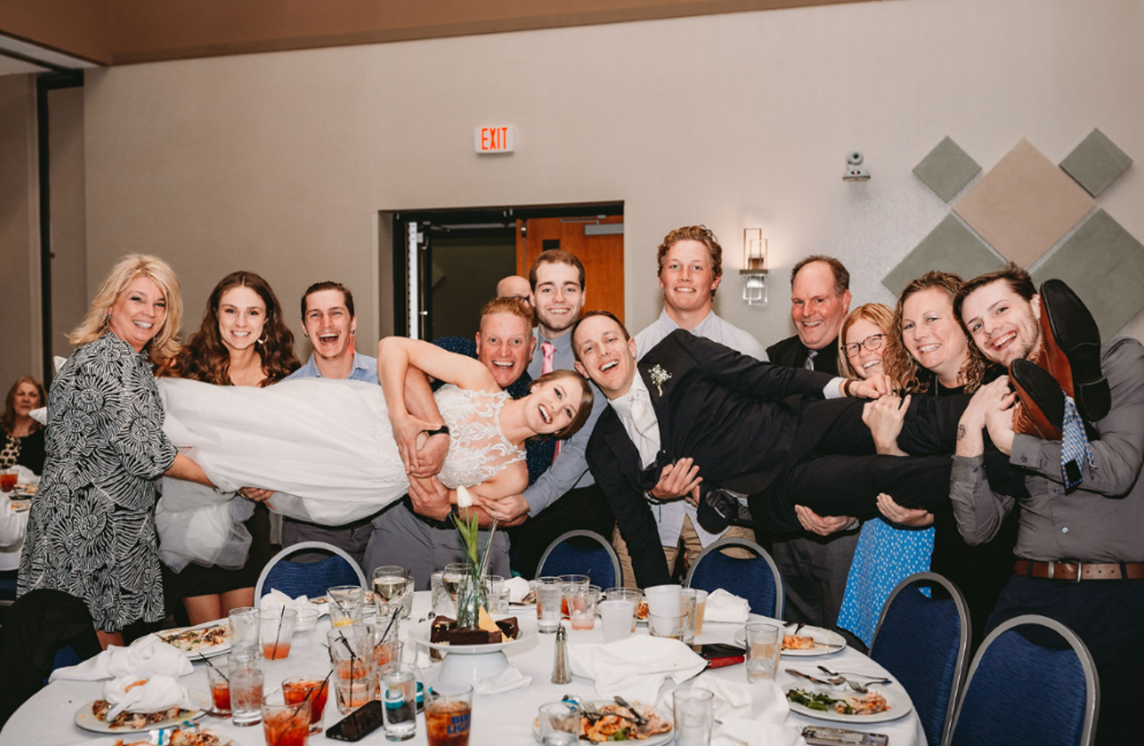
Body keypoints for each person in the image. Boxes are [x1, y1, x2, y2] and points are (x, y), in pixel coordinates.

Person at [572, 311, 965, 589]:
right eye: (590, 349)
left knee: (908, 416)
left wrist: (844, 387)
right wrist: (658, 603)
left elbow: (762, 376)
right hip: (773, 493)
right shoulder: (602, 449)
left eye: (610, 340)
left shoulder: (675, 353)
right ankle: (987, 472)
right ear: (581, 368)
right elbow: (639, 535)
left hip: (797, 425)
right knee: (881, 480)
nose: (604, 352)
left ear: (631, 345)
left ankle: (1003, 417)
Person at [152, 336, 595, 574]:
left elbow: (448, 503)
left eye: (567, 412)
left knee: (245, 471)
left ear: (560, 429)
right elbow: (392, 348)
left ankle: (151, 458)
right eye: (557, 392)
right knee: (251, 419)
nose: (556, 406)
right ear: (538, 384)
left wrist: (445, 497)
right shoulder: (477, 378)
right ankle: (140, 418)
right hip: (361, 416)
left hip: (372, 479)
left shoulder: (513, 474)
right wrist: (405, 418)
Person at [950, 266, 1144, 745]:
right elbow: (977, 529)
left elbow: (1118, 469)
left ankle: (1066, 392)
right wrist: (970, 435)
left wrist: (1013, 443)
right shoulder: (999, 401)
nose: (990, 329)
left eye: (1000, 310)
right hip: (1027, 593)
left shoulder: (1120, 362)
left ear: (1037, 306)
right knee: (990, 730)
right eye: (976, 326)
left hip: (1116, 599)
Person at [18, 254, 213, 648]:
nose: (150, 313)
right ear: (112, 303)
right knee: (104, 661)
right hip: (90, 530)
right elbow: (148, 455)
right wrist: (227, 479)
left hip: (85, 523)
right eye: (138, 300)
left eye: (161, 303)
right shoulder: (112, 362)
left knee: (90, 654)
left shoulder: (121, 358)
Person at [364, 297, 554, 586]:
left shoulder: (540, 416)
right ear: (478, 342)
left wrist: (448, 510)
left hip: (475, 541)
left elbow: (515, 514)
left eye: (516, 342)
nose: (504, 352)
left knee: (481, 627)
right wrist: (437, 430)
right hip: (403, 523)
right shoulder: (456, 352)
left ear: (531, 348)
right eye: (493, 339)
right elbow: (405, 369)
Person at [158, 271, 300, 625]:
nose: (241, 322)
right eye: (230, 311)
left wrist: (273, 481)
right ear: (215, 315)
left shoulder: (283, 376)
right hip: (189, 520)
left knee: (243, 636)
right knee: (205, 637)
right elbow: (158, 443)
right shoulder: (184, 366)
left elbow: (295, 451)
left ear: (267, 318)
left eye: (252, 312)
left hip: (249, 518)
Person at [627, 226, 766, 582]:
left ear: (716, 279)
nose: (684, 276)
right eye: (674, 267)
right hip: (648, 514)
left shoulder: (745, 349)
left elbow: (764, 439)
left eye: (697, 267)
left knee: (730, 629)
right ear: (660, 277)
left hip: (724, 518)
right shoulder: (632, 352)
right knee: (632, 623)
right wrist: (650, 485)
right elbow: (619, 439)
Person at [477, 251, 614, 579]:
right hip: (508, 492)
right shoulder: (513, 349)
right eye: (547, 288)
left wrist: (528, 501)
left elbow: (580, 449)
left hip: (576, 502)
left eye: (569, 288)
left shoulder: (596, 355)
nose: (558, 299)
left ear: (583, 295)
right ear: (532, 296)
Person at [765, 256, 859, 642]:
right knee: (792, 646)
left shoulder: (864, 358)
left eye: (818, 300)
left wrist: (852, 514)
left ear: (845, 300)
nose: (807, 313)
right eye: (798, 302)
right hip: (784, 532)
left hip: (843, 537)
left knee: (849, 647)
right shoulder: (772, 360)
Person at [281, 281, 382, 566]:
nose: (326, 323)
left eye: (336, 312)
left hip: (381, 528)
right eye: (315, 315)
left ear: (353, 321)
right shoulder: (287, 393)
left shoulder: (386, 376)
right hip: (311, 531)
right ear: (303, 326)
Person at [0, 377, 46, 475]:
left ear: (40, 402)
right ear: (12, 399)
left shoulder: (48, 436)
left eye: (32, 395)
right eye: (20, 394)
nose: (26, 399)